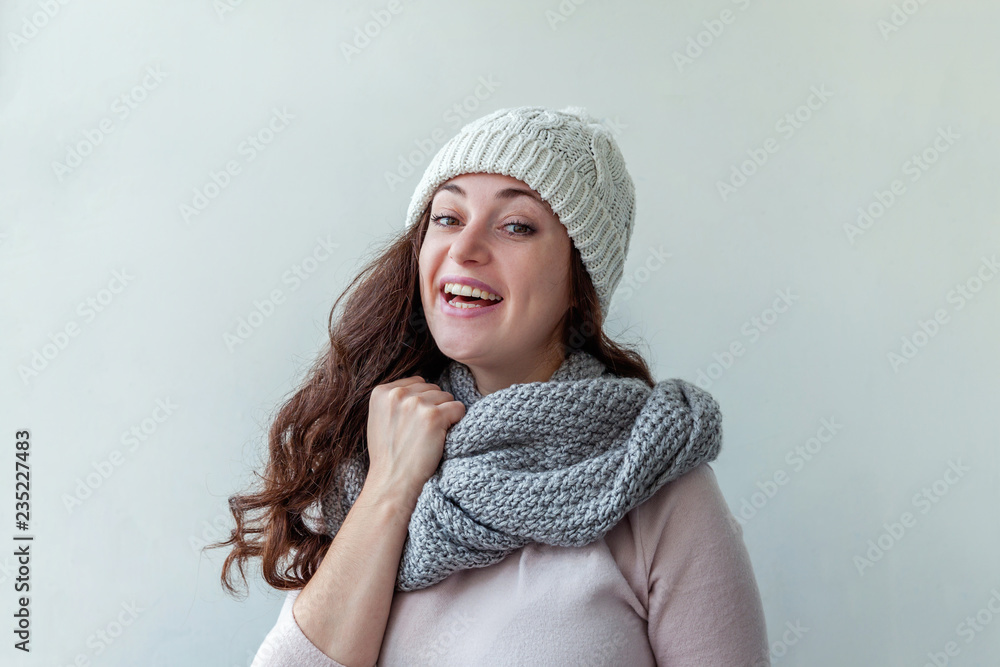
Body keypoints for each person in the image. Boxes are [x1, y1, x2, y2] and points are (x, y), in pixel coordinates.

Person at [208, 106, 771, 666]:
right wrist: (392, 483)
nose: (465, 248)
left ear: (580, 282)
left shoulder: (656, 483)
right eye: (447, 218)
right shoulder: (370, 457)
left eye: (516, 226)